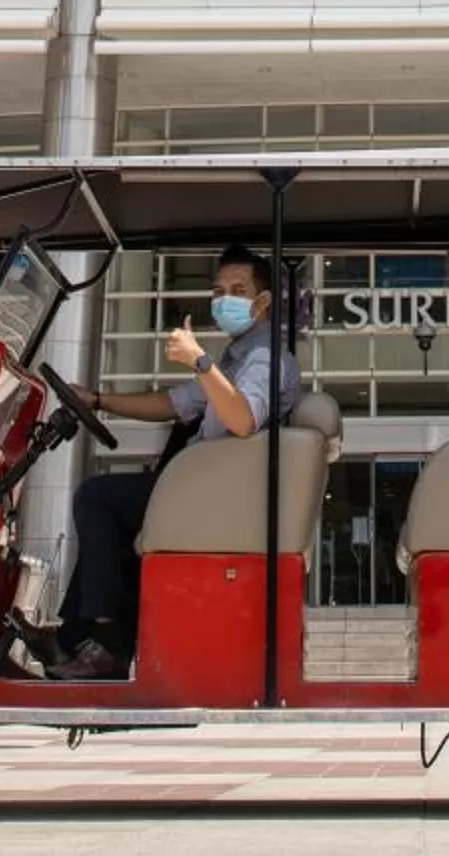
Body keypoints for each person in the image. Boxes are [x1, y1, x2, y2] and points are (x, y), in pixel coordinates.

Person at [22, 242, 299, 681]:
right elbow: (173, 403)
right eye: (218, 291)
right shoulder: (238, 359)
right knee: (114, 514)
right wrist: (97, 400)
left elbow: (243, 418)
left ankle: (106, 643)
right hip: (202, 489)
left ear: (262, 302)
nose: (223, 299)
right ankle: (74, 639)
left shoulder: (265, 359)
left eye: (238, 290)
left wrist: (199, 361)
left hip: (214, 496)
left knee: (97, 499)